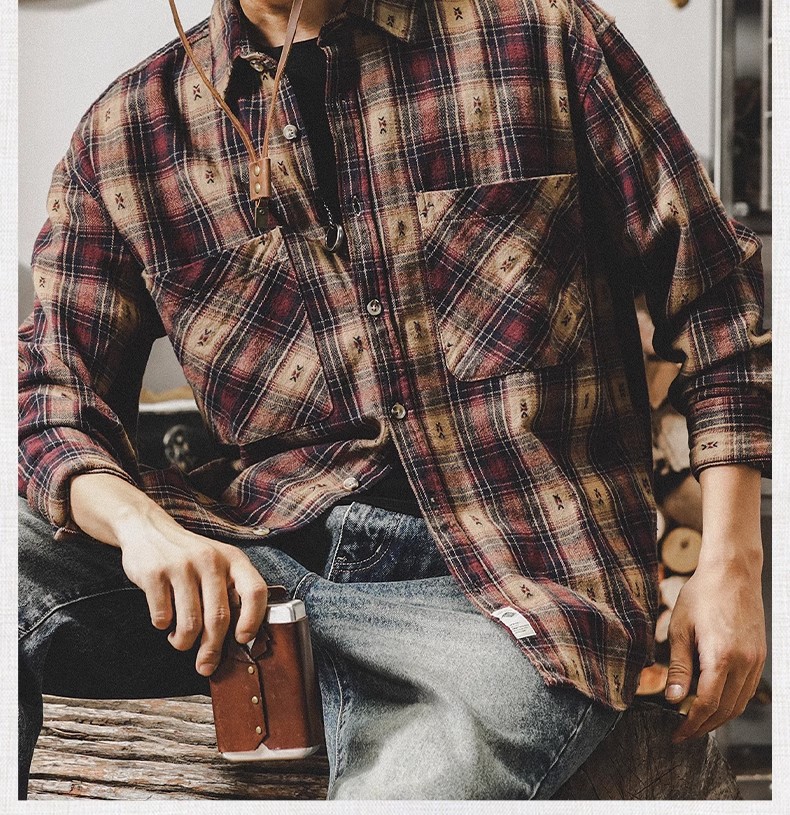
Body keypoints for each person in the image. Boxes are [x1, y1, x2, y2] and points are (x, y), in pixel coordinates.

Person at [18, 0, 771, 800]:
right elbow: (52, 394)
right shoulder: (124, 134)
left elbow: (716, 293)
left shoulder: (545, 38)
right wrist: (141, 527)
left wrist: (733, 561)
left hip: (508, 595)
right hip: (257, 567)